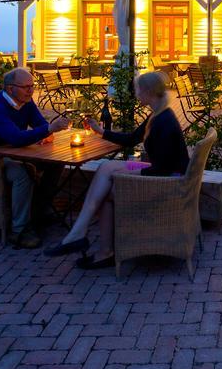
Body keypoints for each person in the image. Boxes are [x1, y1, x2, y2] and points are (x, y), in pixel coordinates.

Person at [44, 71, 189, 268]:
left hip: (169, 182)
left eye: (138, 90)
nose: (136, 94)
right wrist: (100, 131)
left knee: (107, 192)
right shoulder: (158, 114)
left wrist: (128, 174)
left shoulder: (164, 121)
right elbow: (131, 139)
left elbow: (163, 169)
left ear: (148, 91)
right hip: (163, 173)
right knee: (106, 167)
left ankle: (103, 251)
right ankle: (78, 232)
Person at [0, 67, 70, 249]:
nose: (31, 90)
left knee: (55, 163)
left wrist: (46, 132)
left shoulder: (26, 102)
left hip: (10, 153)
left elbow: (40, 124)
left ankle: (38, 212)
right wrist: (48, 130)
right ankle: (19, 230)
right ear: (10, 89)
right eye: (26, 87)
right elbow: (15, 138)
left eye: (32, 86)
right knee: (22, 172)